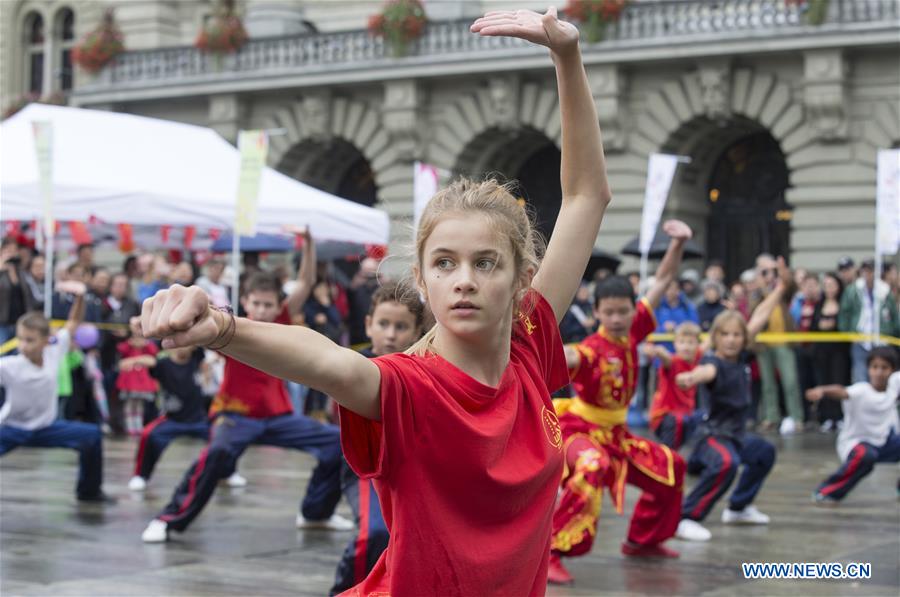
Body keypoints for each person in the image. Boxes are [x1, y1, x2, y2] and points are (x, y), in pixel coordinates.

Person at [140, 8, 610, 594]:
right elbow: (327, 360)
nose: (463, 279)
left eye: (485, 262)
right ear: (423, 280)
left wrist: (567, 57)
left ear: (521, 279)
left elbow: (587, 194)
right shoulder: (409, 388)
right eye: (445, 263)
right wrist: (217, 325)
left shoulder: (530, 341)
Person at [140, 238, 356, 543]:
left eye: (269, 305)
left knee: (339, 442)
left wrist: (307, 245)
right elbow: (200, 321)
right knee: (216, 452)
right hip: (236, 415)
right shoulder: (231, 327)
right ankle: (169, 518)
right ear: (246, 303)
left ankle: (315, 514)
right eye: (257, 304)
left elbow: (306, 282)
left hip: (277, 416)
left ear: (278, 307)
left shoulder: (279, 322)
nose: (263, 310)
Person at [549, 220, 693, 585]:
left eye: (622, 311)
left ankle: (643, 541)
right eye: (608, 312)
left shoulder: (635, 329)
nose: (615, 318)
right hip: (579, 433)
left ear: (633, 310)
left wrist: (678, 244)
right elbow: (562, 357)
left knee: (671, 466)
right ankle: (551, 550)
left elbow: (660, 281)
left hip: (619, 434)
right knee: (591, 467)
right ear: (596, 311)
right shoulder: (588, 351)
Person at [674, 258, 791, 542]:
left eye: (737, 335)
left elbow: (761, 313)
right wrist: (691, 378)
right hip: (711, 437)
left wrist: (781, 288)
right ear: (716, 337)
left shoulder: (742, 355)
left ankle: (738, 507)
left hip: (737, 435)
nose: (731, 340)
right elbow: (706, 371)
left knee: (764, 452)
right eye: (725, 335)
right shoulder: (714, 361)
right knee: (726, 463)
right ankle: (687, 517)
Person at [330, 281, 425, 596]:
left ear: (416, 331)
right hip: (365, 468)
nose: (391, 334)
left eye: (401, 326)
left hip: (409, 470)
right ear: (369, 324)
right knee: (373, 532)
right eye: (383, 324)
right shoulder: (353, 366)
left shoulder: (423, 367)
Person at [0, 281, 113, 502]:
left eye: (30, 340)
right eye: (20, 339)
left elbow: (73, 322)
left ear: (45, 340)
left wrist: (80, 297)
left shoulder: (54, 351)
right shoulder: (9, 366)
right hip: (11, 428)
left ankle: (89, 492)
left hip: (46, 428)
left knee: (92, 436)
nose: (23, 345)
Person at [806, 346, 899, 504]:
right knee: (866, 456)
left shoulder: (893, 388)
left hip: (883, 443)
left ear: (892, 370)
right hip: (856, 445)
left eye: (884, 368)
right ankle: (826, 491)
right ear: (868, 369)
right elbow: (841, 391)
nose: (879, 373)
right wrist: (822, 390)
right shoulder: (861, 390)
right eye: (875, 367)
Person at [128, 344, 212, 491]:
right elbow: (151, 362)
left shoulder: (197, 359)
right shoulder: (164, 365)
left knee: (224, 438)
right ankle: (141, 476)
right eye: (178, 343)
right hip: (172, 419)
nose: (182, 347)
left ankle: (228, 473)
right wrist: (138, 360)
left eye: (186, 344)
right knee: (148, 435)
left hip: (198, 419)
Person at [751, 253, 802, 434]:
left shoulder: (782, 290)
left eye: (770, 272)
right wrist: (761, 284)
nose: (768, 275)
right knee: (768, 384)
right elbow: (753, 311)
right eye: (764, 272)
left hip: (783, 342)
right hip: (764, 344)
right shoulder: (756, 292)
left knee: (790, 381)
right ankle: (771, 416)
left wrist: (782, 272)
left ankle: (796, 417)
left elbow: (791, 286)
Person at [839, 258, 900, 383]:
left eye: (871, 270)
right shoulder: (853, 290)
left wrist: (891, 334)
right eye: (865, 271)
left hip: (882, 340)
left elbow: (893, 316)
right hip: (861, 340)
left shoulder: (885, 290)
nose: (868, 274)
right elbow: (844, 313)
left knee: (882, 378)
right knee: (860, 377)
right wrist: (848, 333)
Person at [646, 322, 704, 449]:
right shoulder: (673, 362)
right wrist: (658, 351)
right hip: (665, 417)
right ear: (675, 344)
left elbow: (709, 343)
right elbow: (666, 358)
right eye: (682, 342)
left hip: (685, 416)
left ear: (697, 346)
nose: (686, 347)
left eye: (690, 343)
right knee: (669, 447)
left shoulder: (696, 358)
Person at [811, 272, 849, 431]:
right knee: (824, 380)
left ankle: (839, 415)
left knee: (838, 380)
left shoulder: (843, 303)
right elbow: (813, 326)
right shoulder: (819, 304)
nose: (829, 289)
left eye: (832, 285)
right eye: (826, 285)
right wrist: (821, 326)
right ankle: (826, 416)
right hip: (822, 350)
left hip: (839, 350)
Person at [116, 318, 160, 435]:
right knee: (130, 403)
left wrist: (145, 344)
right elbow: (121, 350)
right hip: (130, 378)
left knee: (139, 404)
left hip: (142, 379)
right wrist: (130, 342)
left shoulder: (147, 345)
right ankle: (129, 425)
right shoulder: (128, 344)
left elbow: (154, 352)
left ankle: (138, 426)